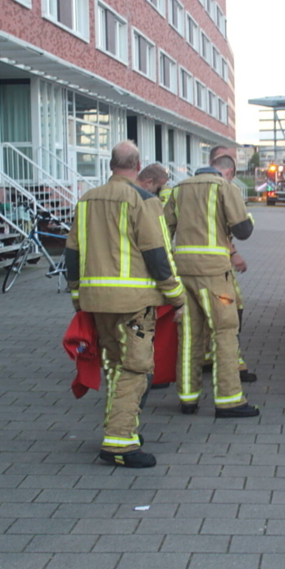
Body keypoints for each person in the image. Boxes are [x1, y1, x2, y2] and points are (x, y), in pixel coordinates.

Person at [63, 141, 186, 468]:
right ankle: (119, 442)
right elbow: (157, 254)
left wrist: (77, 296)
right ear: (138, 165)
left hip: (96, 301)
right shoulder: (144, 200)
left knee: (115, 367)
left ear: (110, 165)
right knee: (135, 369)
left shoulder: (86, 200)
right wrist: (177, 296)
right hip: (135, 303)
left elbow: (72, 252)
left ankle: (120, 429)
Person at [165, 154, 258, 417]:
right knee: (224, 332)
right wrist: (249, 219)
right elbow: (242, 231)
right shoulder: (225, 188)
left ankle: (188, 399)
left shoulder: (178, 189)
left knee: (189, 336)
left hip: (183, 272)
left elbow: (163, 231)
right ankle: (229, 400)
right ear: (229, 172)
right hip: (214, 275)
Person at [208, 145, 255, 383]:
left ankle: (207, 358)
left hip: (196, 264)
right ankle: (233, 365)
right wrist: (234, 253)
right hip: (216, 266)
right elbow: (228, 229)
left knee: (204, 316)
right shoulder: (222, 189)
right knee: (230, 313)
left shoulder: (187, 188)